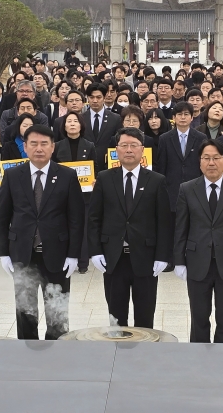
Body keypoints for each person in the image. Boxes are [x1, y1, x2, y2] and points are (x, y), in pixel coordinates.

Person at [0, 124, 84, 340]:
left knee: (57, 310)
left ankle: (57, 354)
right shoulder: (13, 175)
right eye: (33, 143)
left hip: (58, 253)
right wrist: (3, 252)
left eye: (44, 144)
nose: (39, 148)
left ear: (53, 147)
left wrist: (74, 255)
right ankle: (27, 352)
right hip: (22, 252)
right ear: (25, 147)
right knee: (25, 309)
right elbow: (3, 214)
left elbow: (76, 218)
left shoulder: (67, 176)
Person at [88, 127, 172, 328]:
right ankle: (118, 355)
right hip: (113, 258)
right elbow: (94, 218)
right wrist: (95, 252)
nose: (128, 150)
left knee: (145, 316)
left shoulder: (156, 180)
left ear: (142, 149)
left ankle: (143, 356)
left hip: (145, 257)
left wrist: (163, 255)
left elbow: (164, 221)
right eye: (124, 145)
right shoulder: (105, 178)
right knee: (116, 318)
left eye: (133, 145)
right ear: (116, 149)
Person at [174, 139, 223, 343]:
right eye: (206, 158)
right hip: (197, 261)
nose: (211, 163)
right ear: (199, 162)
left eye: (216, 158)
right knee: (199, 317)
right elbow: (181, 227)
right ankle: (199, 360)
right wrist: (179, 261)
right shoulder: (187, 188)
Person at [52, 112, 97, 274]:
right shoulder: (56, 146)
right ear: (64, 126)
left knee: (83, 227)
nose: (72, 124)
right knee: (64, 227)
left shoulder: (89, 145)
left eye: (75, 121)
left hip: (85, 194)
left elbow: (95, 169)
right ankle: (65, 258)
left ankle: (83, 262)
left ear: (81, 125)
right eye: (68, 121)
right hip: (62, 194)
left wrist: (95, 180)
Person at [82, 82, 123, 172]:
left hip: (109, 165)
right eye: (92, 97)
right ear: (87, 98)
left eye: (98, 97)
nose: (95, 100)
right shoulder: (81, 119)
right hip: (86, 166)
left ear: (104, 97)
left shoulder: (115, 118)